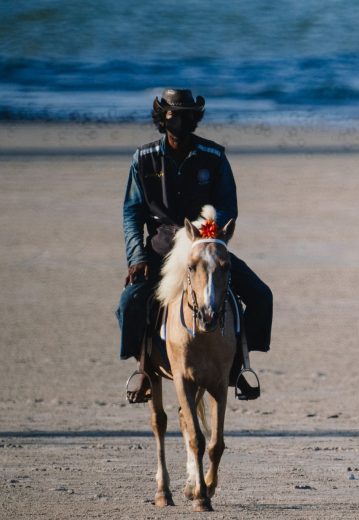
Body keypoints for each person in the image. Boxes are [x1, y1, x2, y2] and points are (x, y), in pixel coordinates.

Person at [116, 88, 272, 403]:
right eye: (174, 114)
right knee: (130, 303)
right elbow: (132, 212)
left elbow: (227, 205)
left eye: (188, 115)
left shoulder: (213, 157)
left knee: (261, 296)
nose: (181, 120)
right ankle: (144, 369)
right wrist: (135, 257)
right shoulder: (143, 159)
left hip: (205, 245)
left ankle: (239, 367)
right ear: (163, 118)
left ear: (195, 118)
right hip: (161, 248)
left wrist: (209, 232)